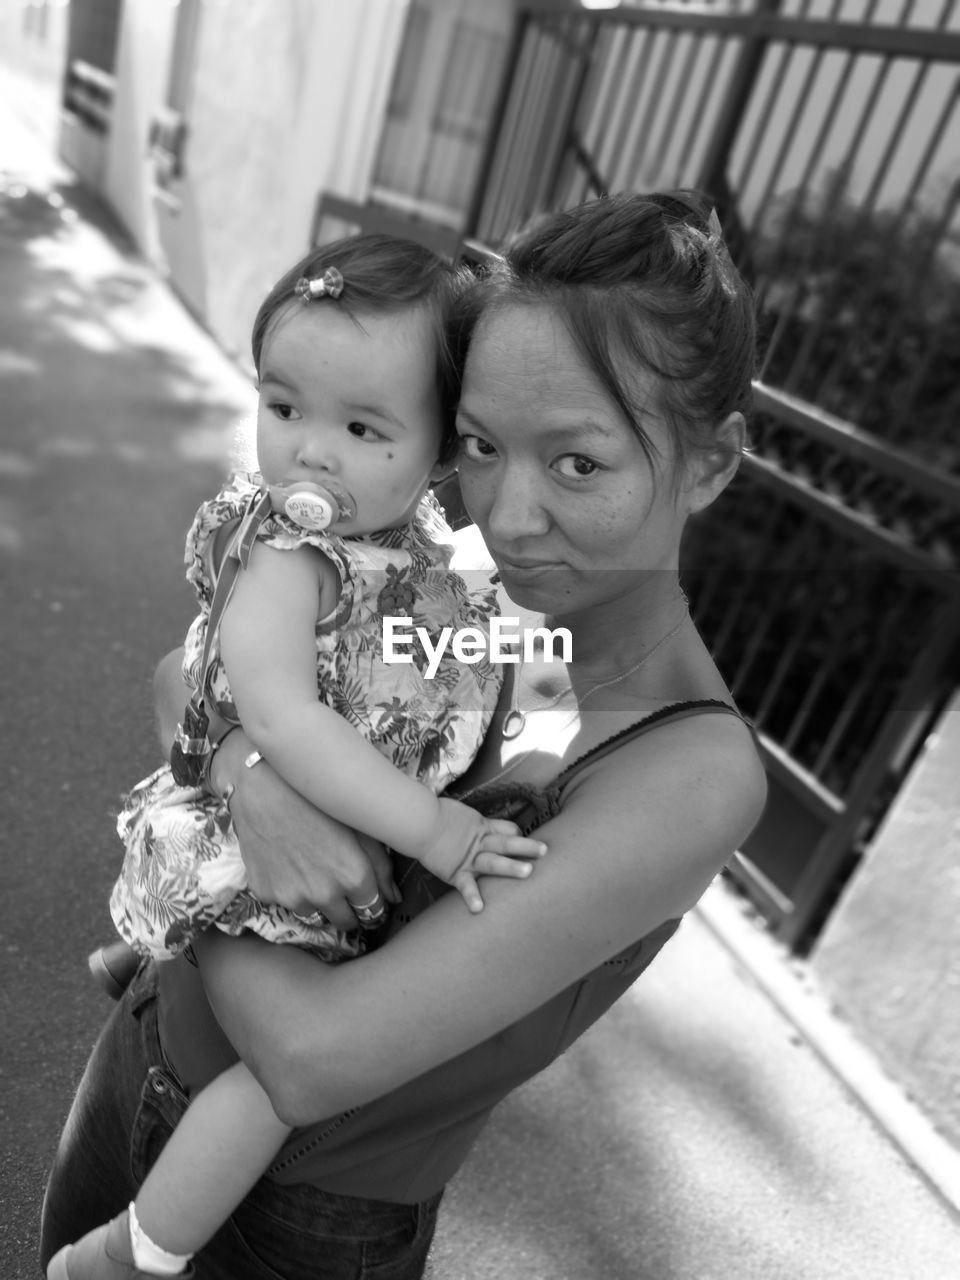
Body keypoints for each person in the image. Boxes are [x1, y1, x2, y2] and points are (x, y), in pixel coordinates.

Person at [41, 190, 767, 1280]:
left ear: (710, 464)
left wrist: (194, 865)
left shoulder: (690, 770)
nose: (508, 514)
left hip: (300, 1221)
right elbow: (182, 677)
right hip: (140, 1053)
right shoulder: (472, 596)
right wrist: (249, 784)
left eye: (579, 462)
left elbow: (311, 1057)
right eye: (479, 443)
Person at [46, 234, 545, 1280]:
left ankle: (146, 951)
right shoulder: (291, 552)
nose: (310, 451)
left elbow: (468, 677)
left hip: (281, 834)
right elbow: (274, 714)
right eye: (285, 407)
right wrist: (438, 828)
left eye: (362, 427)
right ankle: (131, 1252)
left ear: (443, 449)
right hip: (244, 835)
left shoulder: (421, 562)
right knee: (275, 1088)